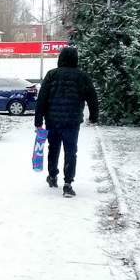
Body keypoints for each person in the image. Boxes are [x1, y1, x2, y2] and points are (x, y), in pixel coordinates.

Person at [33, 46, 99, 198]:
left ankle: (52, 176)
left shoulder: (51, 75)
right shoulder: (82, 77)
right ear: (76, 59)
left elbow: (41, 99)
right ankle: (68, 184)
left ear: (60, 58)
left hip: (52, 120)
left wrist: (38, 120)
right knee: (71, 151)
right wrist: (93, 116)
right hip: (72, 121)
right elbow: (92, 98)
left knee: (53, 148)